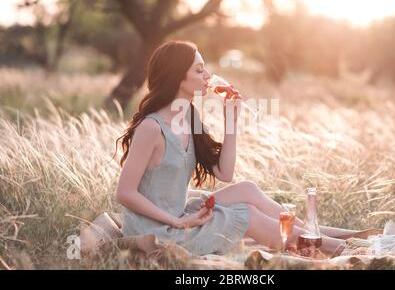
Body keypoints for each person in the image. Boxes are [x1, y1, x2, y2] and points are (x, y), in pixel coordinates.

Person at [114, 40, 379, 256]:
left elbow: (225, 174)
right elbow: (125, 193)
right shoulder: (152, 128)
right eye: (198, 70)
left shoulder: (189, 117)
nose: (207, 76)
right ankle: (341, 250)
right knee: (247, 215)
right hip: (158, 230)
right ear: (176, 77)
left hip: (180, 216)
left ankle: (324, 236)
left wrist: (231, 121)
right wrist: (178, 222)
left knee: (246, 189)